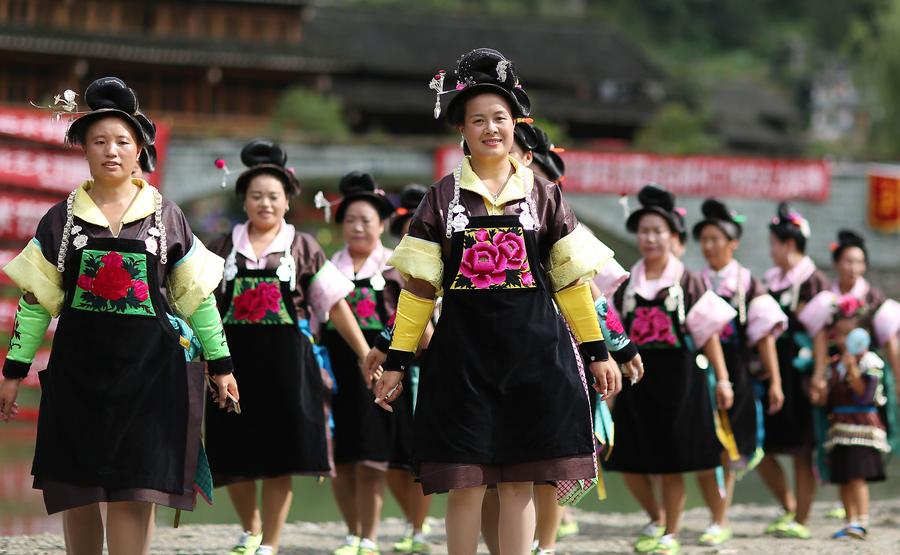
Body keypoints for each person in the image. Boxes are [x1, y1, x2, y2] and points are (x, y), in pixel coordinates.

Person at [371, 48, 620, 555]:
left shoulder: (545, 195)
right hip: (462, 362)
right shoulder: (440, 199)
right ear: (461, 129)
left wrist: (598, 352)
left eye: (500, 118)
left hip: (535, 359)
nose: (491, 129)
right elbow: (419, 292)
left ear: (515, 124)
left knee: (518, 484)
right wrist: (397, 361)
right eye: (478, 120)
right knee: (465, 483)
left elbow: (572, 285)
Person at [0, 76, 238, 555]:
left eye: (123, 141)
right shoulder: (60, 220)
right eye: (99, 141)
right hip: (78, 376)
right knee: (78, 490)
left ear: (140, 150)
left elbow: (197, 298)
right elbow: (35, 301)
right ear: (84, 149)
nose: (111, 151)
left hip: (151, 380)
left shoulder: (167, 217)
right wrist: (13, 372)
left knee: (136, 490)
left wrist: (222, 364)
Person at [205, 139, 371, 555]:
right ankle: (250, 528)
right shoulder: (223, 247)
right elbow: (199, 301)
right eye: (256, 196)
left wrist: (364, 352)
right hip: (232, 365)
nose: (265, 203)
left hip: (287, 366)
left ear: (287, 201)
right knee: (234, 451)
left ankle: (272, 541)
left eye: (273, 196)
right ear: (244, 200)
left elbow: (334, 304)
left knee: (280, 455)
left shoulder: (303, 246)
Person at [605, 185, 735, 555]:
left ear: (672, 236)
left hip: (680, 382)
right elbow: (611, 329)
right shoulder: (625, 284)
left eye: (657, 231)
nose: (650, 238)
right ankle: (656, 516)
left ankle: (671, 532)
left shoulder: (688, 281)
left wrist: (723, 380)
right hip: (636, 379)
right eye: (644, 231)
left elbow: (708, 334)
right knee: (626, 458)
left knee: (672, 462)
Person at [691, 198, 788, 546]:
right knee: (704, 446)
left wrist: (775, 381)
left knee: (730, 446)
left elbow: (764, 338)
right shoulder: (696, 281)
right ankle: (717, 515)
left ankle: (721, 518)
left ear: (733, 243)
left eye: (715, 239)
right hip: (699, 375)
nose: (709, 246)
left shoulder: (747, 283)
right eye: (704, 239)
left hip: (737, 374)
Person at [323, 171, 408, 555]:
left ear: (382, 224)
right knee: (341, 457)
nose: (358, 227)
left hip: (384, 370)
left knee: (373, 457)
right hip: (337, 368)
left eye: (366, 220)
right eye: (351, 220)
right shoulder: (328, 268)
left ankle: (369, 537)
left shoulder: (395, 266)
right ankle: (351, 533)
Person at [755, 203, 829, 539]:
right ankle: (788, 505)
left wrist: (819, 376)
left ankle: (802, 518)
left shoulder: (812, 280)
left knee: (802, 449)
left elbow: (821, 334)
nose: (771, 250)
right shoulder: (772, 280)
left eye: (773, 243)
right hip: (773, 373)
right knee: (762, 448)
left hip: (800, 374)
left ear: (788, 244)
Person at [822, 314, 889, 540]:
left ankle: (862, 520)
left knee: (857, 475)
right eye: (838, 334)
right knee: (843, 476)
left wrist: (852, 368)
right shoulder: (835, 363)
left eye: (847, 334)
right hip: (839, 427)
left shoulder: (869, 362)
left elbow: (864, 395)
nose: (842, 340)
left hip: (861, 427)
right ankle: (849, 521)